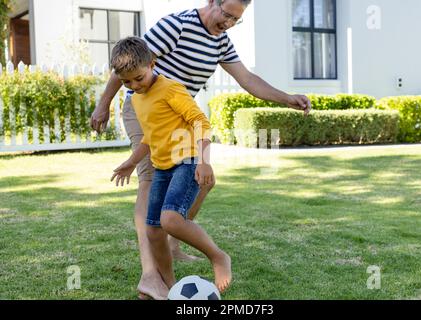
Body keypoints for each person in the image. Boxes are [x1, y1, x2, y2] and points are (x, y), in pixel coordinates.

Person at [90, 0, 311, 300]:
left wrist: (287, 99)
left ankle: (175, 243)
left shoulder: (221, 41)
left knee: (201, 181)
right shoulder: (176, 26)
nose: (229, 23)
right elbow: (128, 64)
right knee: (150, 181)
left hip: (181, 118)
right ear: (212, 2)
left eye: (236, 19)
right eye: (226, 14)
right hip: (145, 110)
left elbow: (247, 79)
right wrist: (103, 105)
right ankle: (151, 274)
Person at [110, 37, 232, 294]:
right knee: (153, 231)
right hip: (162, 167)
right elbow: (150, 137)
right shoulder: (136, 98)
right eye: (126, 82)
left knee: (171, 220)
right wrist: (131, 163)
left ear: (152, 64)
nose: (134, 85)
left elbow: (200, 121)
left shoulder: (170, 89)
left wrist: (204, 162)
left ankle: (218, 256)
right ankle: (169, 285)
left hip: (186, 162)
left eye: (139, 78)